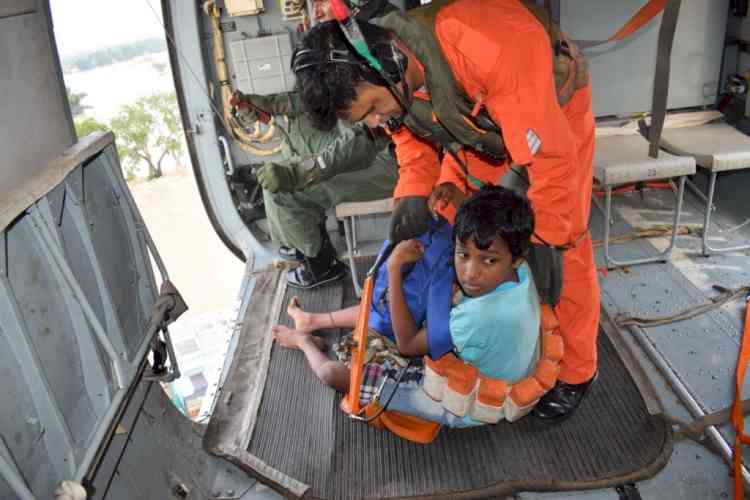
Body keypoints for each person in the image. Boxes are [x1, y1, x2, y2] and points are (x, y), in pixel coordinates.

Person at [292, 0, 599, 421]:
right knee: (459, 219)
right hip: (475, 129)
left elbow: (550, 160)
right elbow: (411, 129)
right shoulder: (394, 81)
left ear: (388, 62)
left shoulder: (487, 45)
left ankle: (579, 371)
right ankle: (478, 327)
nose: (379, 122)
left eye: (375, 108)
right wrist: (413, 191)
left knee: (567, 247)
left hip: (551, 122)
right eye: (368, 118)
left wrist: (544, 239)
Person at [273, 186, 541, 426]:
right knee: (407, 301)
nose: (470, 273)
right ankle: (313, 321)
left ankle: (302, 341)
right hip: (499, 366)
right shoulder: (520, 270)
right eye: (463, 254)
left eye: (488, 261)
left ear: (515, 258)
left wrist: (393, 268)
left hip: (464, 405)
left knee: (332, 373)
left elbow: (408, 345)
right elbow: (486, 243)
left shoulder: (477, 317)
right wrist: (460, 202)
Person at [232, 91, 398, 289]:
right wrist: (270, 105)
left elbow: (365, 138)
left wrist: (303, 171)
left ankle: (319, 266)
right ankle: (306, 234)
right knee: (298, 132)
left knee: (285, 190)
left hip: (394, 160)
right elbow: (320, 98)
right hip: (366, 138)